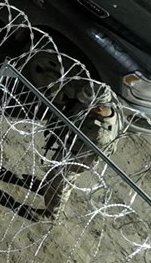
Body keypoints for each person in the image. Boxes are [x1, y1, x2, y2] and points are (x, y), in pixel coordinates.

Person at [39, 82, 120, 217]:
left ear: (99, 108)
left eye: (87, 104)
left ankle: (52, 213)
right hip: (72, 145)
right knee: (55, 174)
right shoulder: (102, 106)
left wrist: (63, 168)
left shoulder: (102, 133)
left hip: (80, 156)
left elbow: (82, 161)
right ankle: (50, 186)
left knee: (61, 182)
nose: (83, 105)